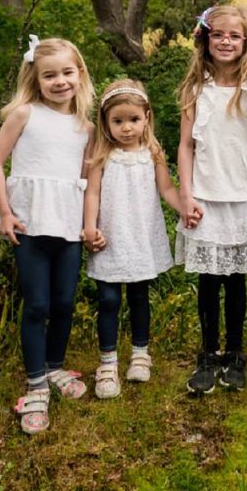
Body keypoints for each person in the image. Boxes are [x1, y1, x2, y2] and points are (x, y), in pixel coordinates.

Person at [0, 35, 95, 435]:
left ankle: (54, 368)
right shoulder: (23, 114)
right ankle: (35, 384)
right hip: (29, 222)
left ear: (79, 74)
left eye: (67, 72)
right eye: (50, 75)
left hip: (68, 224)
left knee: (65, 302)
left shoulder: (86, 126)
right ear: (36, 77)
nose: (60, 81)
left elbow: (87, 179)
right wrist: (5, 212)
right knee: (37, 304)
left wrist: (89, 223)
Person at [176, 5, 247, 395]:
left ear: (246, 42)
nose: (226, 41)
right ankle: (208, 353)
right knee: (209, 281)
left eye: (234, 35)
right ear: (206, 39)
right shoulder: (195, 90)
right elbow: (184, 147)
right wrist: (185, 195)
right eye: (218, 35)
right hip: (204, 200)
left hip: (241, 199)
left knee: (235, 282)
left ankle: (235, 353)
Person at [81, 79, 179, 399]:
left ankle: (140, 353)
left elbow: (166, 189)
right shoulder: (100, 155)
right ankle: (107, 363)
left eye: (133, 120)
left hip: (140, 236)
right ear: (106, 123)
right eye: (118, 121)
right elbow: (92, 192)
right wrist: (89, 227)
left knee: (139, 297)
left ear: (146, 118)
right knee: (109, 300)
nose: (126, 128)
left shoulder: (152, 152)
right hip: (110, 235)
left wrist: (184, 208)